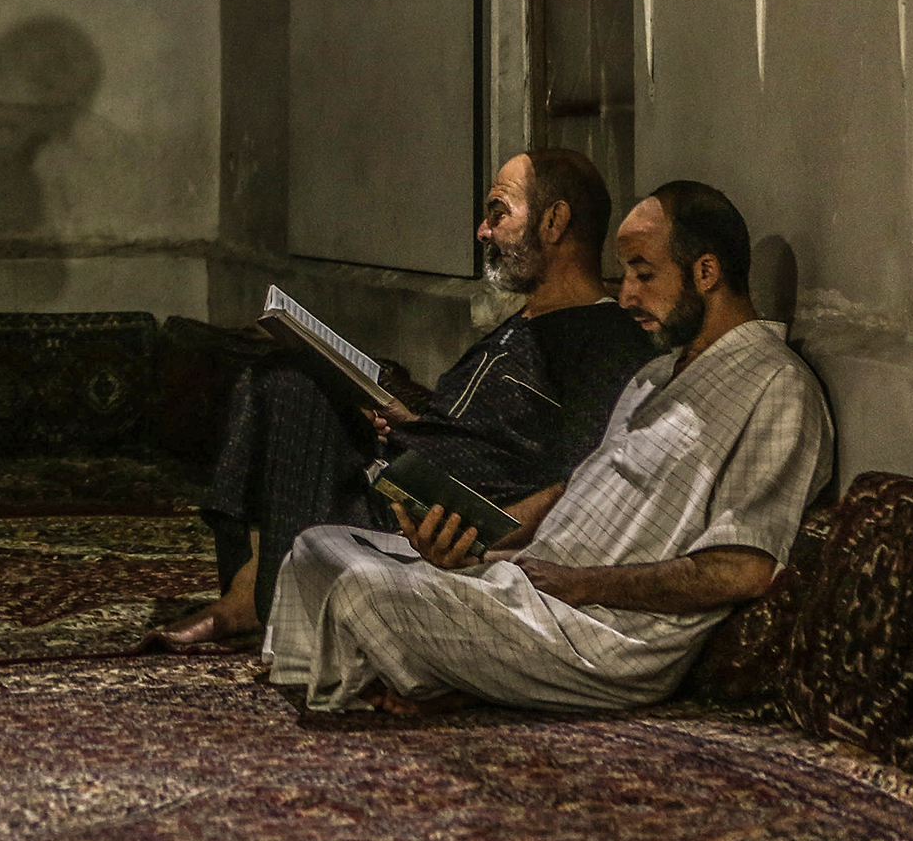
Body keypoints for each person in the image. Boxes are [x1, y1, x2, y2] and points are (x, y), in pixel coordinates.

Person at [264, 180, 834, 714]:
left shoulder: (777, 386)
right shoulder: (657, 374)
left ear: (706, 271)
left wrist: (581, 584)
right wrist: (478, 549)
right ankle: (444, 671)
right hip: (528, 587)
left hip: (598, 631)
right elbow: (573, 493)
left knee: (365, 592)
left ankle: (431, 675)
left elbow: (743, 570)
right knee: (318, 547)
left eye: (643, 273)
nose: (627, 294)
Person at [160, 148, 653, 646]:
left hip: (425, 524)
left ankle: (262, 600)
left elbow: (585, 481)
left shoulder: (607, 340)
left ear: (554, 222)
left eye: (498, 212)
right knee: (273, 375)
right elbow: (467, 429)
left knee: (288, 382)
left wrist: (488, 546)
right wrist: (405, 420)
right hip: (393, 477)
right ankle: (251, 592)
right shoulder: (519, 325)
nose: (484, 231)